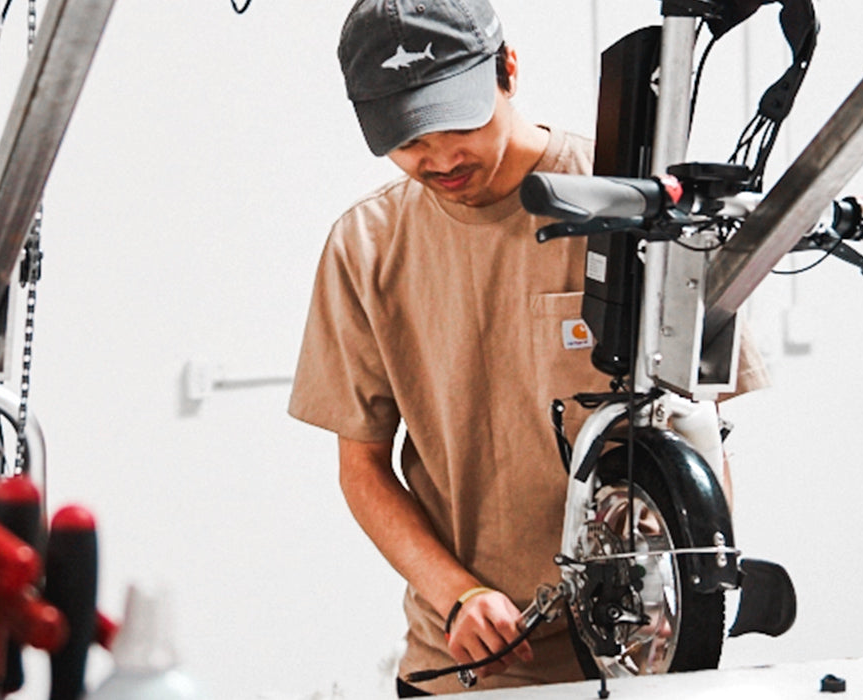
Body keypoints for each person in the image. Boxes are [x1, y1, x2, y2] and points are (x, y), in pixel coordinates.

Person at [289, 0, 765, 694]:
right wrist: (457, 594)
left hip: (634, 662)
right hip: (462, 667)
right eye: (410, 137)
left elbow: (699, 438)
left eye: (460, 122)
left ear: (507, 71)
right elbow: (362, 467)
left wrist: (684, 609)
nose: (441, 157)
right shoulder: (366, 248)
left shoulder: (633, 210)